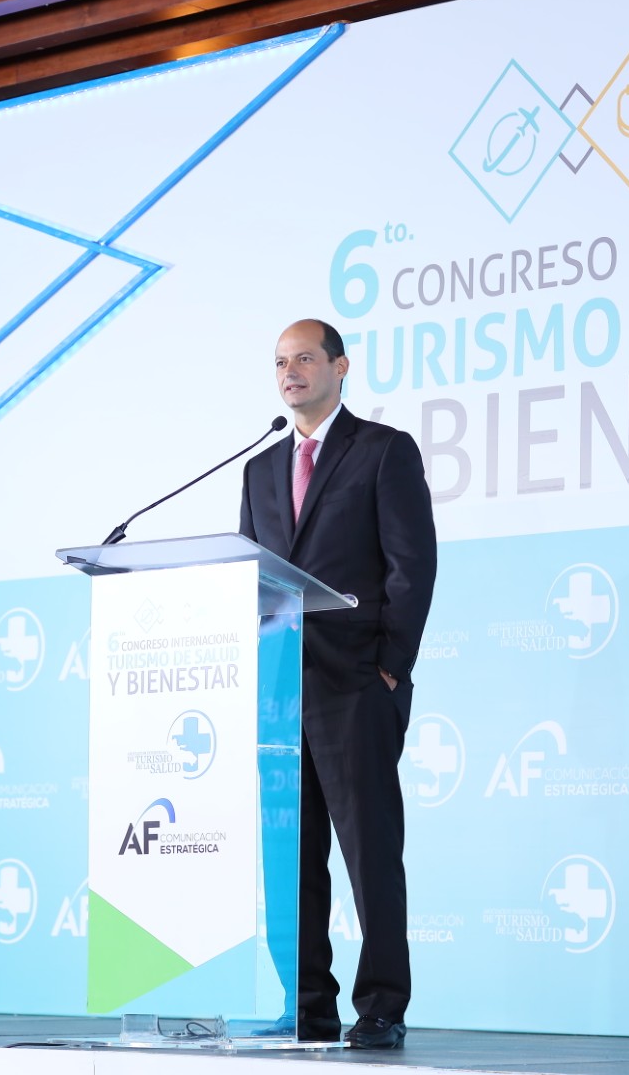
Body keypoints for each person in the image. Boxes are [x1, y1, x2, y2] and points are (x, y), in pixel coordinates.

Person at [238, 318, 437, 1050]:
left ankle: (381, 1005)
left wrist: (391, 664)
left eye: (304, 358)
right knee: (292, 860)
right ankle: (306, 1006)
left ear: (340, 366)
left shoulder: (382, 450)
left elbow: (411, 564)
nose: (289, 372)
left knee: (368, 851)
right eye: (279, 362)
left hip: (356, 683)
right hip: (281, 690)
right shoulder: (259, 471)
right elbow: (251, 574)